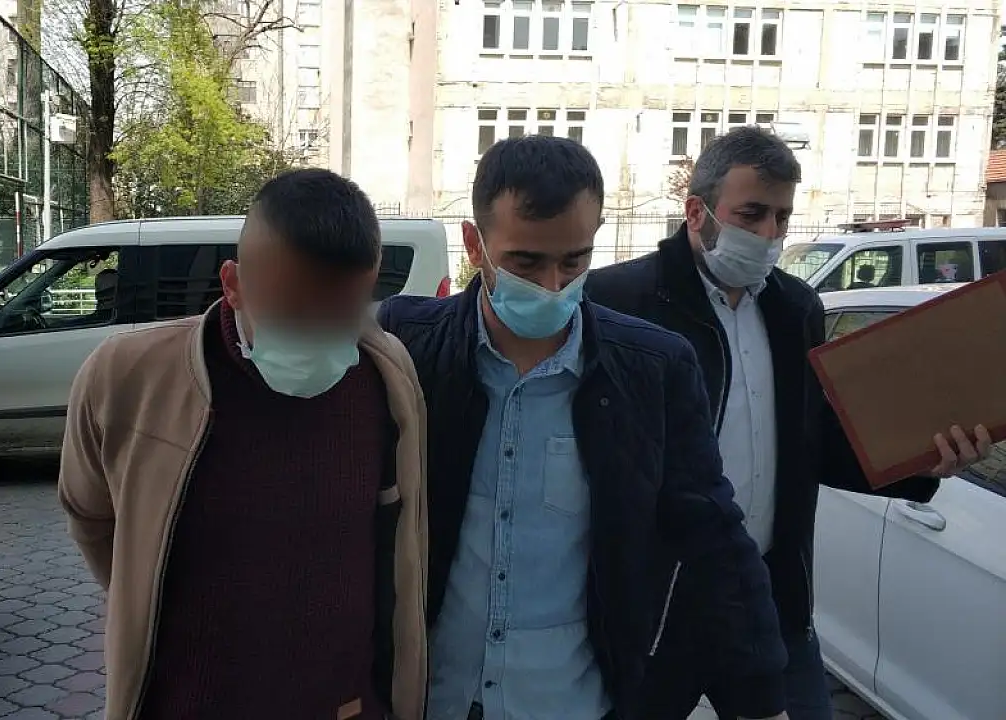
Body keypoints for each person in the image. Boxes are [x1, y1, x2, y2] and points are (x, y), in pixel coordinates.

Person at [378, 135, 791, 720]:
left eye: (573, 261)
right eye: (525, 262)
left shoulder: (652, 370)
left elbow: (714, 536)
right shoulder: (408, 349)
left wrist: (760, 697)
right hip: (433, 698)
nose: (552, 285)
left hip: (574, 701)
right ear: (474, 245)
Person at [586, 125, 992, 720]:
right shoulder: (618, 300)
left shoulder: (795, 307)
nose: (769, 234)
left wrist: (920, 459)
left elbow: (813, 443)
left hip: (769, 595)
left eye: (781, 217)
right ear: (697, 212)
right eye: (751, 214)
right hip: (658, 605)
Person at [59, 168, 429, 720]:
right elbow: (91, 517)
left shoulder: (387, 377)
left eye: (342, 317)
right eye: (294, 315)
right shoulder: (127, 376)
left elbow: (400, 551)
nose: (318, 337)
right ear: (232, 284)